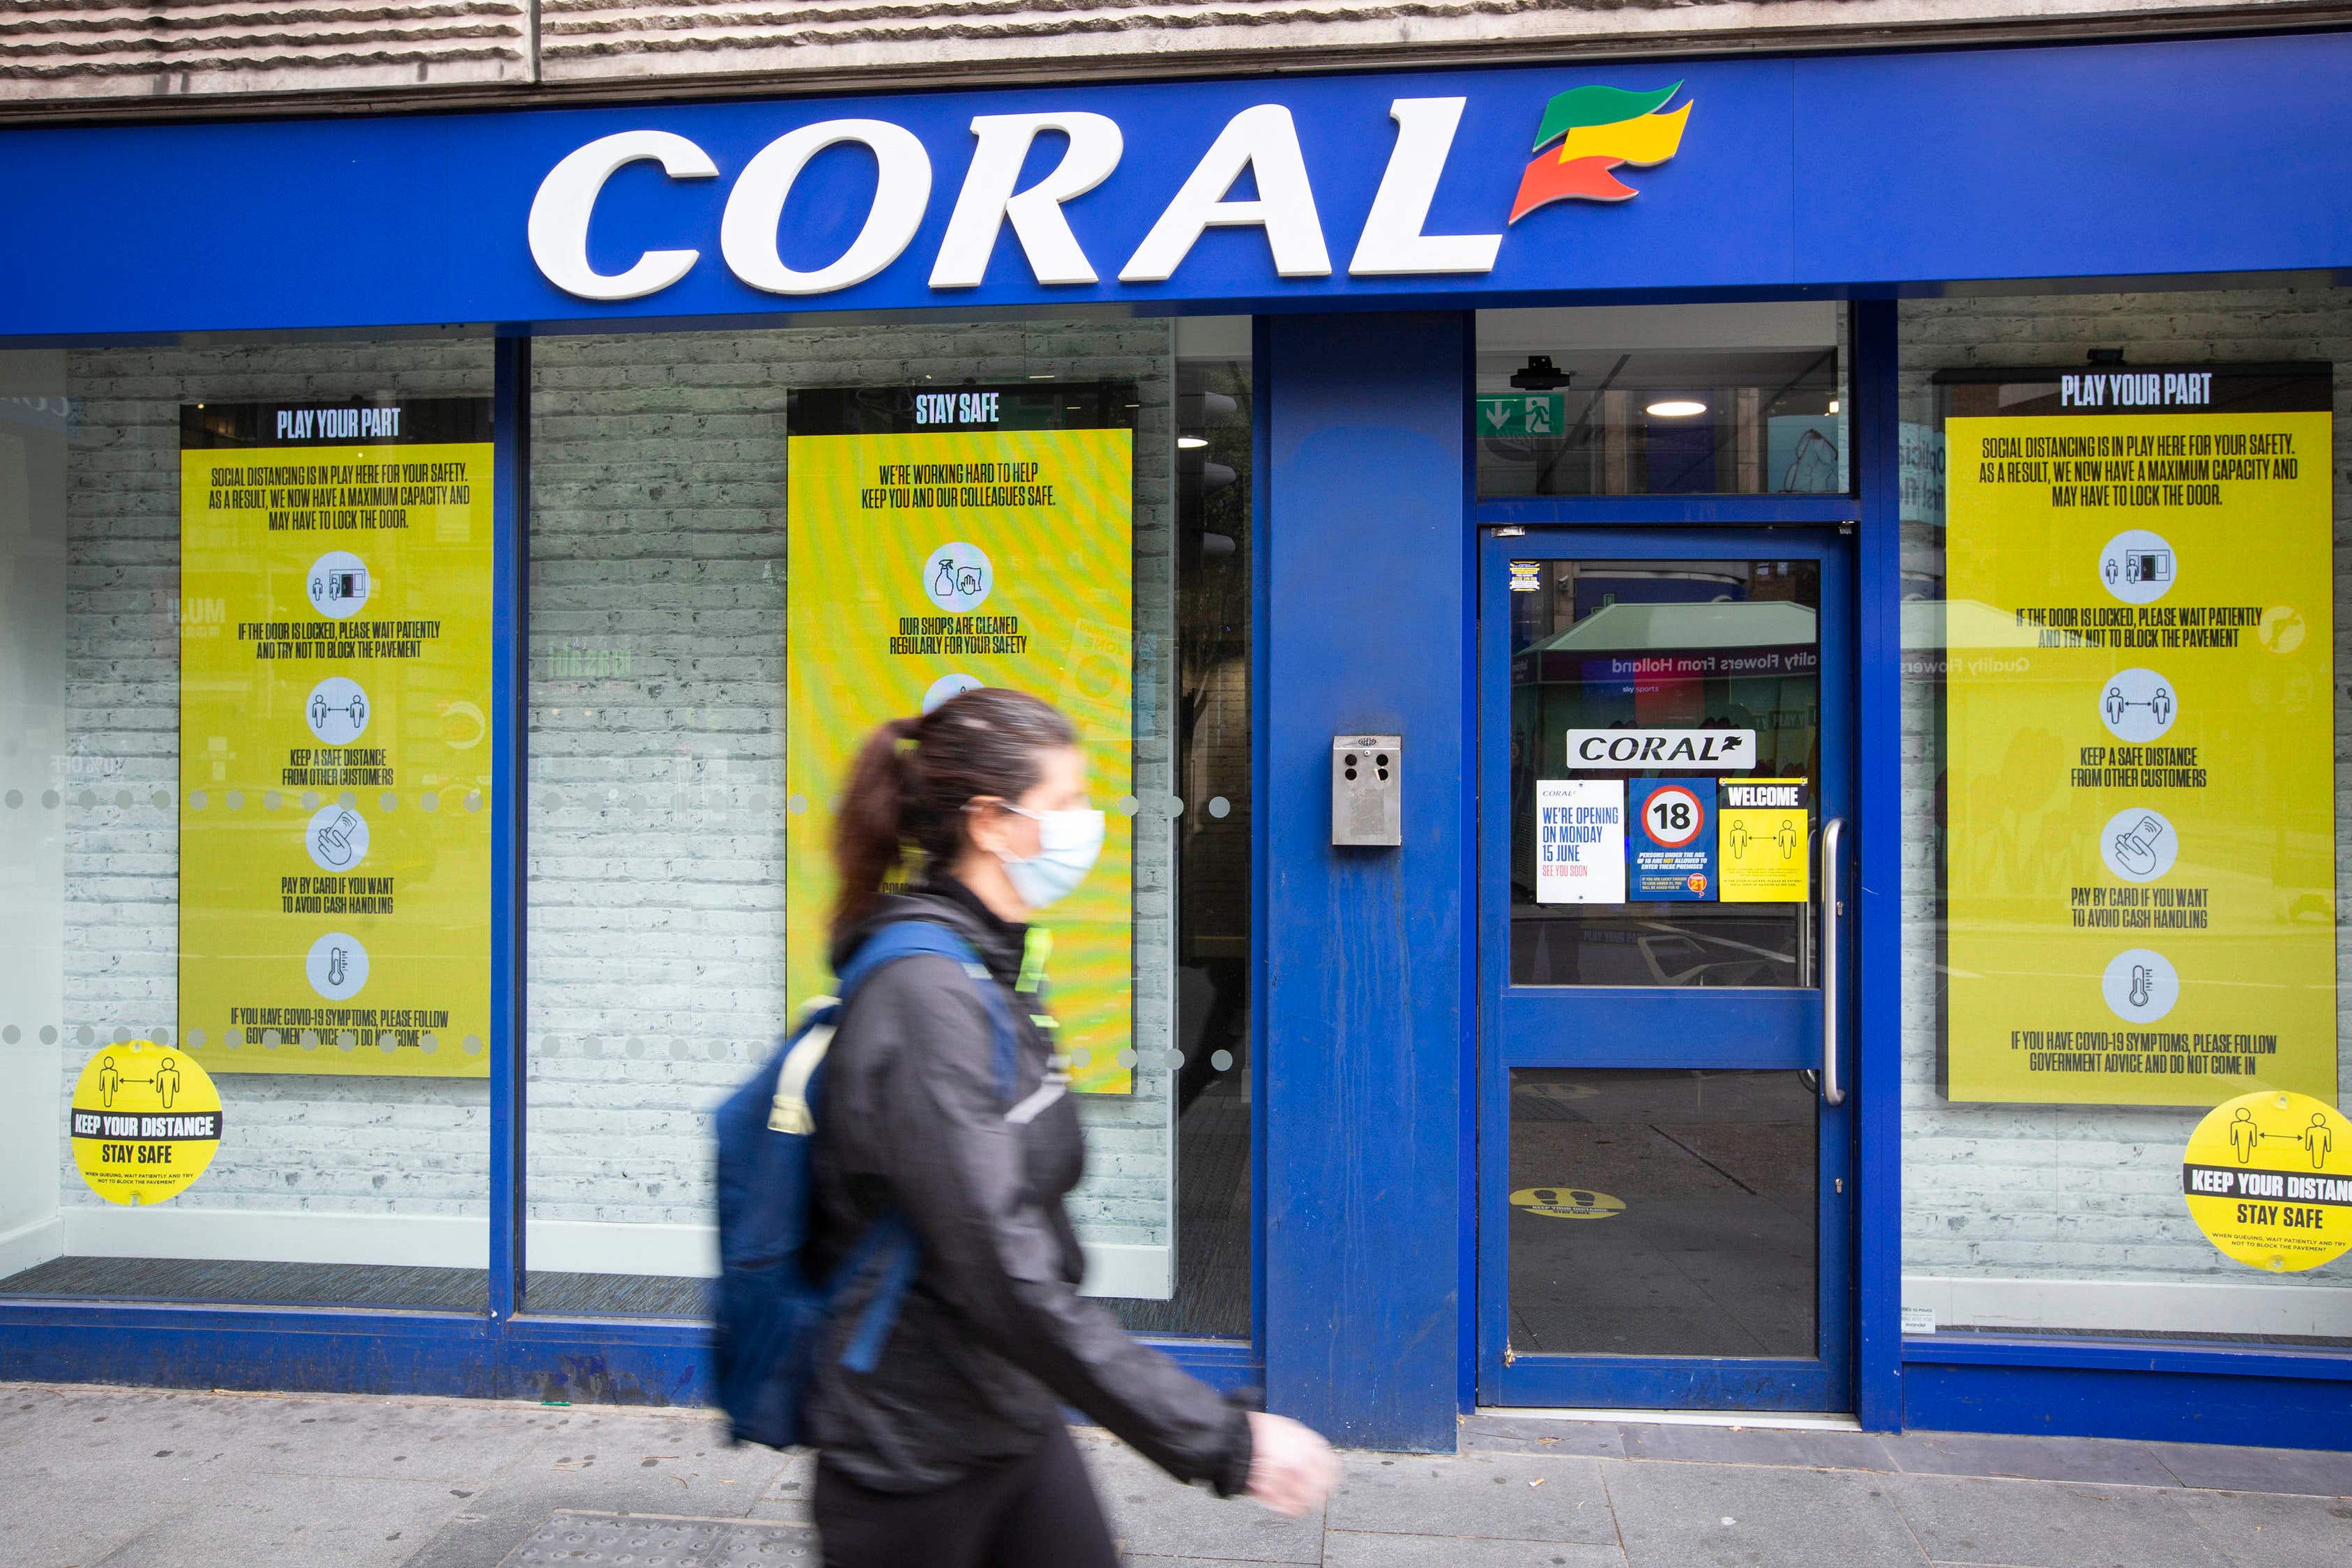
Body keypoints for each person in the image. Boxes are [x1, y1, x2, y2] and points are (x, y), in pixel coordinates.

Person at [807, 687, 1339, 1567]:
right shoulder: (925, 997)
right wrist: (1223, 1439)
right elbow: (1000, 1264)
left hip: (1003, 1405)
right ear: (991, 821)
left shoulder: (988, 965)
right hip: (910, 1452)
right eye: (1065, 804)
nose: (1087, 824)